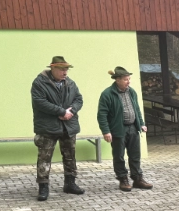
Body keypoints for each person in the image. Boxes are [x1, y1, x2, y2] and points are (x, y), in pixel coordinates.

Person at [31, 56, 85, 201]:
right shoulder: (39, 83)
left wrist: (72, 111)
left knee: (70, 155)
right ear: (53, 68)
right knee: (44, 157)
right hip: (47, 127)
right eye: (62, 69)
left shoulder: (70, 83)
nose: (65, 72)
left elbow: (79, 99)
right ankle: (43, 187)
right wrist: (61, 112)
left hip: (68, 126)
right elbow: (39, 102)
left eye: (66, 69)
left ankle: (70, 184)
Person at [97, 66, 153, 191]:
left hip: (133, 127)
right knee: (119, 156)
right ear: (117, 80)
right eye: (126, 79)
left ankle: (137, 179)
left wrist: (141, 123)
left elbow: (136, 109)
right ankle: (123, 179)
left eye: (129, 79)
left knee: (135, 155)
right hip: (118, 129)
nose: (128, 82)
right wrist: (106, 131)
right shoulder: (107, 94)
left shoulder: (131, 92)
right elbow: (102, 114)